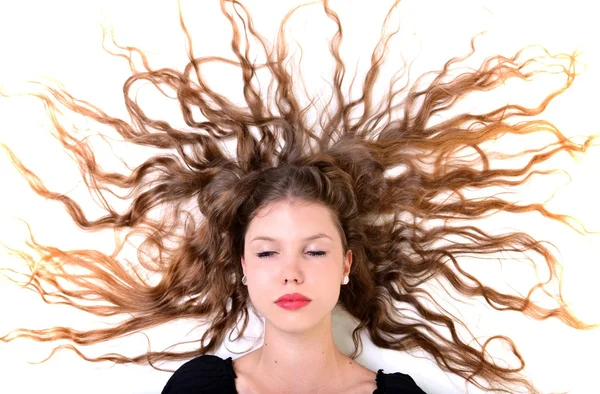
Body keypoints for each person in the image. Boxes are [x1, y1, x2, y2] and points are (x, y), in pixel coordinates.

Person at [0, 0, 597, 393]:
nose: (290, 273)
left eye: (314, 252)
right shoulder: (199, 388)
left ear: (346, 266)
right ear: (240, 269)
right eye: (266, 253)